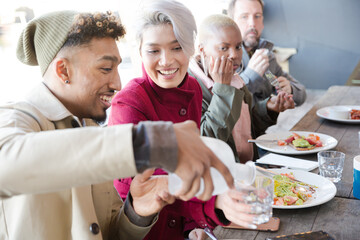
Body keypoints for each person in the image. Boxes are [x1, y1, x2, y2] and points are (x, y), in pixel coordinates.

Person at [0, 10, 234, 240]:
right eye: (105, 69)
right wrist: (151, 142)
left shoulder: (89, 127)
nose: (118, 83)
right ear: (63, 70)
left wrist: (137, 212)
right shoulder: (17, 117)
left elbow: (109, 232)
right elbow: (7, 160)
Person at [109, 1, 261, 239]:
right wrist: (211, 203)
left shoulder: (192, 88)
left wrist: (193, 225)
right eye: (153, 50)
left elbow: (196, 157)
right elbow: (139, 183)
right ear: (139, 51)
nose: (166, 61)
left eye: (177, 47)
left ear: (191, 48)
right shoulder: (128, 102)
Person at [189, 14, 294, 163]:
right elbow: (207, 141)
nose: (234, 55)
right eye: (224, 48)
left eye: (238, 47)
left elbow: (244, 131)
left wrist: (269, 108)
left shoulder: (236, 80)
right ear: (202, 50)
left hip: (249, 169)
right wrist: (222, 89)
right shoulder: (189, 87)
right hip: (222, 178)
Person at [228, 0, 306, 106]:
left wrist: (290, 89)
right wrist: (251, 75)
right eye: (244, 16)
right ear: (232, 22)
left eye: (257, 16)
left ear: (262, 22)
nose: (252, 24)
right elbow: (227, 103)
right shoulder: (224, 59)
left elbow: (301, 94)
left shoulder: (267, 57)